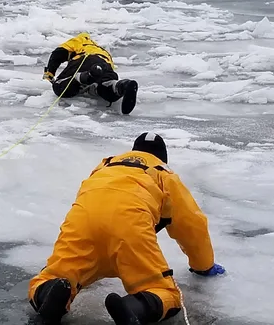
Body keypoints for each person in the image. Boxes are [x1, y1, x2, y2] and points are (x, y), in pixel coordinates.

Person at [28, 132, 225, 325]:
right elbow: (191, 224)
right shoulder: (163, 174)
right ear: (162, 157)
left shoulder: (104, 167)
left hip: (82, 221)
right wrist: (203, 266)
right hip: (129, 224)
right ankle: (134, 308)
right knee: (162, 291)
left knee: (57, 274)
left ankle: (48, 293)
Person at [42, 32, 139, 115]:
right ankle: (121, 86)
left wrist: (50, 72)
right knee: (105, 85)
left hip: (83, 59)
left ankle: (82, 77)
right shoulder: (102, 50)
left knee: (59, 86)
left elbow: (58, 53)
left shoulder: (79, 41)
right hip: (104, 64)